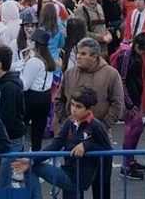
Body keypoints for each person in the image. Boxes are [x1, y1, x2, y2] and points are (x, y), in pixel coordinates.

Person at [12, 85, 111, 199]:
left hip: (79, 177)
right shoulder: (69, 122)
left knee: (32, 168)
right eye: (72, 104)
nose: (73, 109)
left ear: (90, 109)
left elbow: (107, 150)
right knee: (31, 166)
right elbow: (56, 144)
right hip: (67, 171)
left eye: (78, 107)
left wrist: (86, 145)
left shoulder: (96, 126)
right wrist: (32, 159)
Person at [54, 38, 123, 199]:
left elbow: (117, 104)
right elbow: (59, 99)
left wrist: (102, 126)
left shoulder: (111, 74)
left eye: (83, 54)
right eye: (78, 53)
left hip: (100, 143)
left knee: (100, 186)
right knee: (73, 186)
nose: (78, 57)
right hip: (72, 143)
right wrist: (66, 123)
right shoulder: (70, 73)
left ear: (94, 56)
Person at [112, 33, 145, 179]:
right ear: (137, 47)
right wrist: (128, 103)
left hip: (134, 95)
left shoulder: (131, 54)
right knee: (132, 130)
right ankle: (126, 164)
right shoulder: (127, 56)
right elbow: (122, 80)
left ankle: (130, 160)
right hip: (130, 98)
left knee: (137, 129)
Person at [0, 43, 26, 188]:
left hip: (12, 139)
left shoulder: (11, 87)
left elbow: (9, 116)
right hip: (1, 137)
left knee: (4, 178)